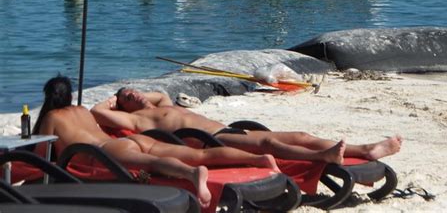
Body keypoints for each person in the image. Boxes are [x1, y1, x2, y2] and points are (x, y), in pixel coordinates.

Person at [34, 76, 285, 208]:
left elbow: (41, 153)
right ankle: (257, 159)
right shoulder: (82, 110)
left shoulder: (52, 117)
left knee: (156, 163)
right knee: (197, 154)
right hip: (132, 140)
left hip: (107, 152)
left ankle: (191, 174)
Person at [91, 88, 402, 165]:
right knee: (270, 146)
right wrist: (113, 101)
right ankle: (321, 157)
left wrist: (139, 96)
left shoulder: (162, 103)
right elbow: (97, 111)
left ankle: (366, 150)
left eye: (130, 89)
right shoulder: (136, 119)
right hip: (207, 141)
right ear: (124, 107)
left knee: (301, 135)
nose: (130, 93)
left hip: (226, 130)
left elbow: (158, 94)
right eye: (125, 96)